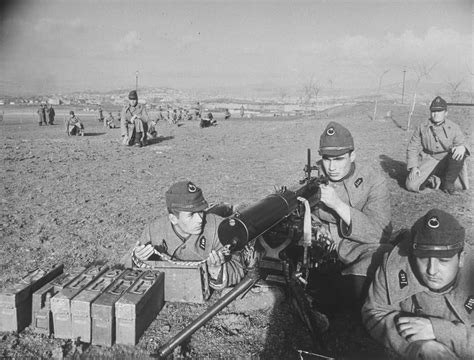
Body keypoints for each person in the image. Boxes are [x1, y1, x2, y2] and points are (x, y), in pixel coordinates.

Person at [362, 208, 473, 360]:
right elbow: (374, 313)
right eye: (423, 258)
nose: (432, 270)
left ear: (461, 258)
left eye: (443, 261)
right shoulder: (395, 265)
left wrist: (438, 330)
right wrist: (421, 346)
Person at [308, 121, 393, 313]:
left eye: (339, 159)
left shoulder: (374, 181)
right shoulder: (315, 174)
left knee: (384, 256)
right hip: (319, 247)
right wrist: (315, 226)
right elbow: (303, 211)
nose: (331, 167)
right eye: (327, 159)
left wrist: (337, 205)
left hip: (358, 247)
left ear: (352, 155)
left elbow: (379, 233)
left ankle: (328, 292)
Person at [122, 181, 245, 290]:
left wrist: (216, 270)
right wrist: (137, 259)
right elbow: (124, 266)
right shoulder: (154, 231)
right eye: (191, 215)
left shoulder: (218, 228)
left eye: (201, 211)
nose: (200, 219)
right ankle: (223, 207)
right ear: (173, 219)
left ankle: (228, 208)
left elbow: (239, 269)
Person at [406, 96, 469, 195]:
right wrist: (414, 167)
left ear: (446, 113)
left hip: (448, 161)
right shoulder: (422, 127)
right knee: (411, 185)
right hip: (429, 160)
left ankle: (448, 183)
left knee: (461, 151)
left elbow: (462, 141)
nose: (436, 114)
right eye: (433, 111)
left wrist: (462, 147)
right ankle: (436, 179)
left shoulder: (454, 127)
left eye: (439, 111)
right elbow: (412, 147)